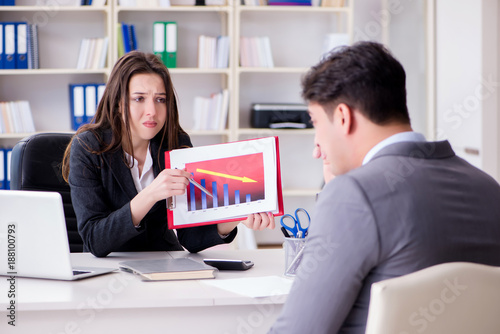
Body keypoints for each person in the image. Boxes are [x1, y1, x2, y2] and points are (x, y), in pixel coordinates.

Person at [268, 41, 500, 333]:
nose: (316, 148)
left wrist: (341, 194)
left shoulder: (354, 197)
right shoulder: (489, 188)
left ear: (343, 117)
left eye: (315, 122)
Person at [62, 51, 274, 258]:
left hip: (164, 264)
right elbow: (94, 240)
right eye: (139, 99)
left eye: (160, 99)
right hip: (110, 270)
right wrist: (151, 194)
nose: (152, 111)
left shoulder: (176, 144)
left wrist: (236, 217)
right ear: (118, 103)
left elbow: (190, 237)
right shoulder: (88, 148)